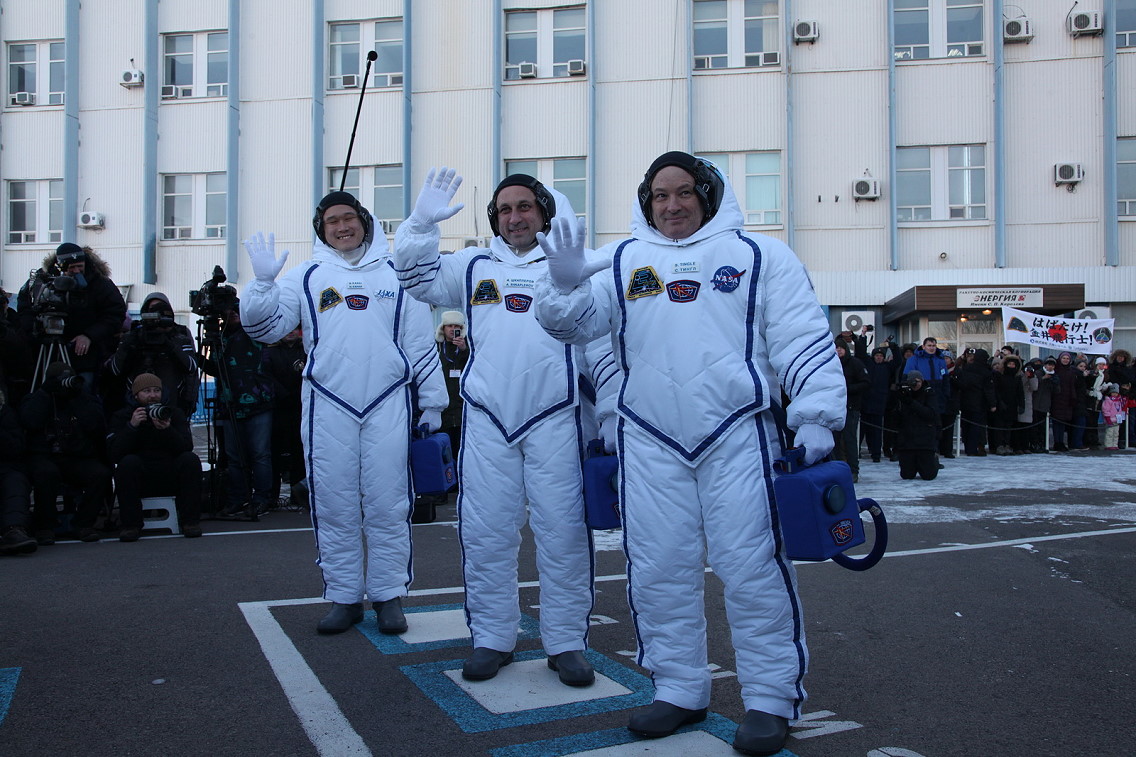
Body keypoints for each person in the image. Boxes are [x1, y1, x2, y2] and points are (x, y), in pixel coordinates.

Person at [531, 152, 845, 755]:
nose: (671, 206)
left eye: (683, 193)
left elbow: (801, 336)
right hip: (650, 439)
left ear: (708, 194)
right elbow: (571, 327)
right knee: (658, 571)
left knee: (752, 572)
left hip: (738, 436)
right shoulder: (622, 261)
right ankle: (678, 688)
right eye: (659, 196)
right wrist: (563, 284)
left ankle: (770, 700)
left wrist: (814, 415)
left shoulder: (760, 256)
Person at [394, 170, 599, 687]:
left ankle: (567, 642)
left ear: (543, 212)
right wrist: (420, 224)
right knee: (485, 534)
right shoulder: (471, 265)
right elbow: (414, 280)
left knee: (564, 535)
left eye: (525, 206)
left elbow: (598, 342)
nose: (515, 217)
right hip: (488, 419)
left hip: (556, 416)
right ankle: (491, 637)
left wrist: (611, 416)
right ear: (495, 218)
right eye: (505, 209)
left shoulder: (569, 264)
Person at [240, 190, 448, 636]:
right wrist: (261, 286)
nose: (341, 227)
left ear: (365, 222)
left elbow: (419, 341)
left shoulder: (397, 273)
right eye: (332, 221)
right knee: (333, 503)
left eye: (348, 218)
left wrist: (432, 401)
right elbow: (266, 328)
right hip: (327, 404)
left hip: (387, 400)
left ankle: (389, 596)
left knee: (389, 504)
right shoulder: (307, 275)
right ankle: (344, 596)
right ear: (322, 229)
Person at [198, 298, 276, 518]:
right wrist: (199, 357)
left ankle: (262, 498)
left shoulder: (255, 331)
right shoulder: (220, 337)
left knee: (260, 454)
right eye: (228, 311)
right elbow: (215, 367)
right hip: (229, 403)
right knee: (234, 456)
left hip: (258, 401)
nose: (232, 314)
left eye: (236, 311)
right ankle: (237, 498)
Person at [19, 361, 111, 543]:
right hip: (44, 455)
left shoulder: (83, 398)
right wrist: (45, 393)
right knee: (46, 474)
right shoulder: (37, 397)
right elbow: (29, 421)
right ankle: (45, 526)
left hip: (76, 456)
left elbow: (96, 426)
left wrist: (79, 396)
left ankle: (83, 524)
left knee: (100, 474)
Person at [16, 243, 126, 390]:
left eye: (80, 266)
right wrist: (34, 331)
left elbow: (115, 313)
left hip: (84, 354)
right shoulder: (42, 282)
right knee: (43, 391)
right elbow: (25, 309)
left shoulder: (99, 282)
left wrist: (89, 335)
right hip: (45, 349)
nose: (76, 271)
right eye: (71, 268)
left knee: (82, 391)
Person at [107, 373, 202, 540]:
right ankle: (131, 525)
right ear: (136, 395)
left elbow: (186, 447)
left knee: (190, 460)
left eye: (156, 390)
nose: (152, 395)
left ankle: (190, 522)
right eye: (147, 391)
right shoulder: (122, 416)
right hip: (140, 475)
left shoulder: (173, 413)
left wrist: (168, 430)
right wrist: (132, 426)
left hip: (168, 472)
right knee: (127, 463)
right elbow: (115, 454)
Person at [107, 292, 200, 416]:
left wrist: (168, 343)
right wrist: (129, 343)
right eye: (152, 311)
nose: (157, 315)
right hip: (135, 407)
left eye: (161, 310)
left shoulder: (179, 335)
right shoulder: (134, 335)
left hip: (172, 402)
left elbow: (191, 367)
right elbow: (115, 370)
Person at [261, 328, 308, 509]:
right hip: (278, 408)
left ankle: (298, 495)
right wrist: (282, 394)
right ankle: (272, 496)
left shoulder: (305, 351)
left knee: (299, 451)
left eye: (296, 329)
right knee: (274, 452)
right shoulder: (270, 351)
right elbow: (266, 375)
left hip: (299, 407)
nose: (291, 333)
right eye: (287, 329)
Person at [903, 337, 953, 457]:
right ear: (924, 346)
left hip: (937, 394)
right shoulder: (914, 359)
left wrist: (946, 395)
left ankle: (935, 451)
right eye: (929, 345)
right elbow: (906, 378)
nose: (932, 348)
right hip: (920, 393)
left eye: (934, 346)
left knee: (936, 425)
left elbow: (945, 379)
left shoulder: (940, 359)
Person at [0, 389, 35, 555]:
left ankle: (14, 530)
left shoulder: (5, 413)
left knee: (16, 480)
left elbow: (17, 447)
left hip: (5, 466)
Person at [435, 310, 469, 461]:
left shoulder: (468, 348)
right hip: (442, 408)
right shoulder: (434, 347)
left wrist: (464, 350)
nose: (452, 329)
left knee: (461, 449)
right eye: (449, 326)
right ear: (443, 328)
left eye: (456, 326)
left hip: (461, 407)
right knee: (443, 451)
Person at [833, 339, 868, 481]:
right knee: (834, 440)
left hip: (850, 407)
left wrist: (847, 390)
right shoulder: (830, 364)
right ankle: (836, 468)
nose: (839, 350)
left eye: (841, 348)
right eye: (836, 348)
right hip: (834, 407)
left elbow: (866, 383)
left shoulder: (855, 363)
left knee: (850, 440)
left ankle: (853, 470)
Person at [895, 371, 940, 480]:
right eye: (912, 382)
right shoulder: (904, 394)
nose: (915, 384)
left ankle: (934, 461)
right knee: (906, 475)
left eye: (918, 381)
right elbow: (896, 417)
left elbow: (930, 414)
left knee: (928, 476)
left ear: (922, 381)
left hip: (925, 440)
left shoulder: (929, 393)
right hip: (907, 440)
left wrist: (911, 402)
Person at [955, 348, 996, 456]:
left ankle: (968, 448)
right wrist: (992, 404)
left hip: (965, 401)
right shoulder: (986, 371)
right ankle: (973, 449)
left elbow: (961, 384)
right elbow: (989, 389)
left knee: (966, 426)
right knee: (975, 427)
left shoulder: (966, 368)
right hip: (979, 402)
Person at [1100, 383, 1127, 449]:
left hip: (1117, 420)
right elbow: (1105, 410)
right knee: (1109, 433)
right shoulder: (1108, 400)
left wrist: (1121, 418)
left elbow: (1120, 410)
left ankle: (1114, 445)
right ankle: (1108, 445)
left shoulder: (1119, 400)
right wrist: (1107, 418)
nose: (1115, 394)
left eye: (1116, 393)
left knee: (1116, 433)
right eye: (1113, 392)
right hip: (1110, 419)